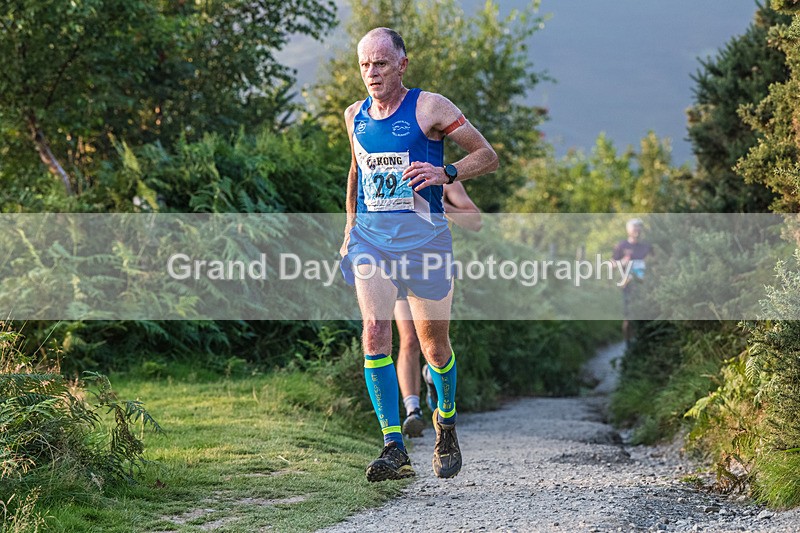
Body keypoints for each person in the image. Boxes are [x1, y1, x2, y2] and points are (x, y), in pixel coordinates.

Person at [339, 27, 498, 482]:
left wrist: (444, 171)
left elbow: (487, 156)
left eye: (381, 63)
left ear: (402, 64)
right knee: (375, 333)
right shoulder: (354, 115)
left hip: (426, 242)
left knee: (433, 346)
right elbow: (356, 170)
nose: (372, 72)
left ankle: (445, 421)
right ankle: (393, 446)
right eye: (365, 64)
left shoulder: (430, 107)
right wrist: (350, 228)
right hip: (372, 240)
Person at [397, 182, 482, 438]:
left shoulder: (444, 177)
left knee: (433, 343)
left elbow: (475, 220)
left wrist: (437, 204)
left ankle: (434, 380)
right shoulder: (387, 164)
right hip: (395, 262)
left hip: (432, 266)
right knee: (409, 339)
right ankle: (413, 411)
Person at [612, 218, 653, 345]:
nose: (638, 230)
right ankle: (628, 346)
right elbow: (611, 265)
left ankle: (642, 344)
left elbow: (656, 262)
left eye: (640, 227)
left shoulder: (646, 246)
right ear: (628, 230)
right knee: (628, 318)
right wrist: (622, 262)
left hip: (645, 286)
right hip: (628, 286)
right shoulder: (621, 246)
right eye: (635, 228)